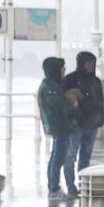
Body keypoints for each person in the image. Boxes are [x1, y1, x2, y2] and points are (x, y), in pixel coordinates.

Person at [37, 57, 77, 198]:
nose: (64, 70)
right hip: (60, 127)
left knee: (56, 156)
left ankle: (54, 187)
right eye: (62, 68)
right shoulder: (51, 87)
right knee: (58, 158)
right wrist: (72, 104)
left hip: (59, 126)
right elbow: (61, 106)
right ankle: (54, 188)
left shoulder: (50, 85)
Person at [62, 51, 104, 174]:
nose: (91, 66)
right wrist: (73, 117)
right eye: (88, 63)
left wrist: (101, 120)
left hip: (93, 124)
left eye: (93, 63)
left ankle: (83, 182)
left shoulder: (96, 81)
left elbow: (100, 101)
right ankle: (71, 186)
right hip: (76, 124)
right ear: (82, 63)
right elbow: (65, 102)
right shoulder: (70, 80)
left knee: (86, 155)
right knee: (71, 155)